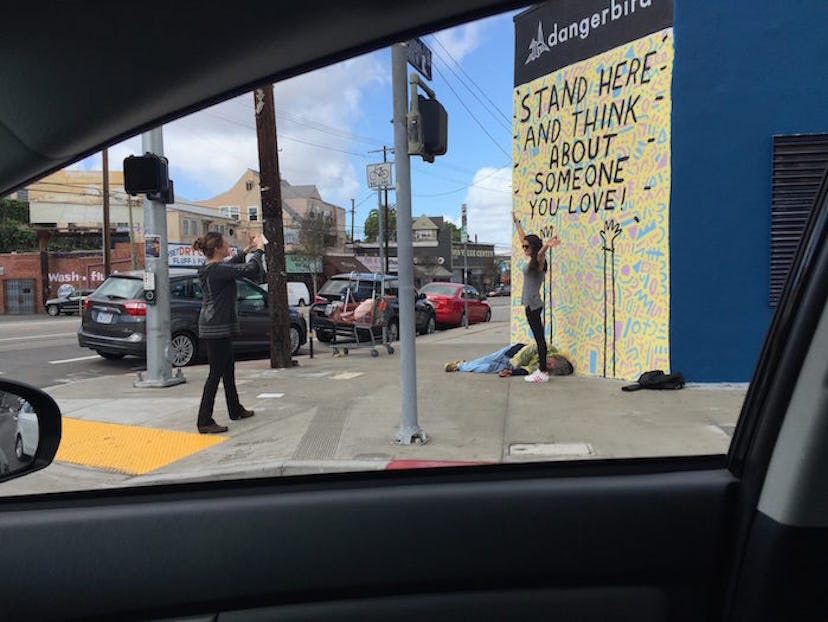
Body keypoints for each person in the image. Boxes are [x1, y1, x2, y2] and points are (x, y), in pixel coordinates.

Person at [194, 232, 265, 434]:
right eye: (225, 243)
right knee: (216, 373)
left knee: (228, 369)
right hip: (216, 326)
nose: (228, 245)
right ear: (217, 248)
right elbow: (250, 269)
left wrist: (246, 250)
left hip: (215, 325)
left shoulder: (212, 267)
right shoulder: (217, 269)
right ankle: (204, 420)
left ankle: (235, 409)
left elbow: (233, 265)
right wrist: (260, 249)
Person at [513, 210, 560, 384]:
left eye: (526, 246)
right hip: (531, 305)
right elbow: (522, 238)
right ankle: (542, 371)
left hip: (533, 306)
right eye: (523, 246)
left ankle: (542, 372)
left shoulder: (539, 262)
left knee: (539, 339)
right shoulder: (532, 259)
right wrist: (517, 222)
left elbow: (540, 254)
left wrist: (547, 245)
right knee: (538, 337)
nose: (523, 248)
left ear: (534, 247)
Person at [445, 342, 573, 378]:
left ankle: (460, 366)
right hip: (513, 353)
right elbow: (529, 350)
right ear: (555, 357)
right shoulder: (548, 348)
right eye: (550, 363)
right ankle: (462, 365)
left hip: (511, 365)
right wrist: (513, 363)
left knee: (488, 368)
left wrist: (511, 372)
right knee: (487, 359)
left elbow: (529, 370)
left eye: (549, 367)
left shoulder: (544, 368)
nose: (546, 365)